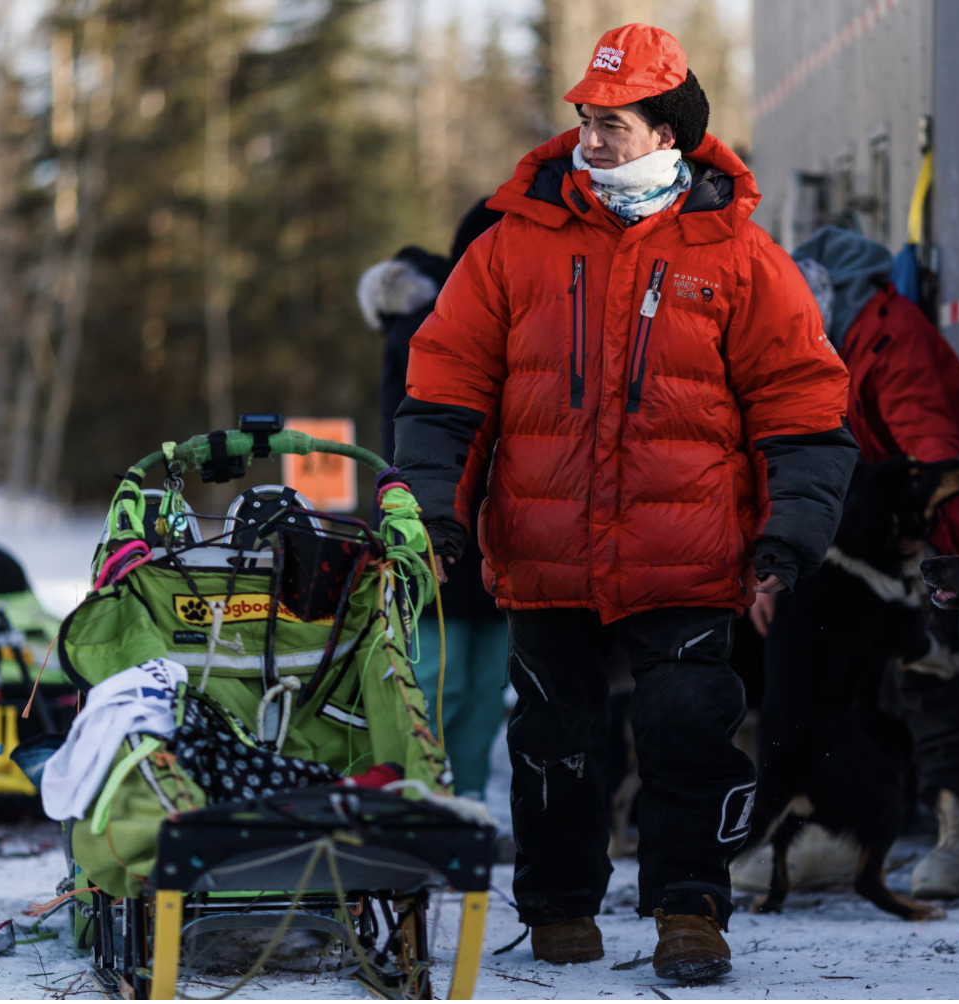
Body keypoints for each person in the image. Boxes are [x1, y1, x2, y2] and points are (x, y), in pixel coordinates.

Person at [394, 24, 856, 982]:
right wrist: (436, 508)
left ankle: (691, 910)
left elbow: (803, 405)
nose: (592, 139)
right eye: (585, 119)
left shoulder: (738, 254)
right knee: (552, 741)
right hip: (544, 544)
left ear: (667, 132)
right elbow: (445, 389)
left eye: (614, 123)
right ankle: (560, 906)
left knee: (688, 735)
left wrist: (793, 528)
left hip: (689, 549)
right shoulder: (512, 244)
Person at [769, 225, 959, 899]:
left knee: (926, 671)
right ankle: (839, 831)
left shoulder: (887, 336)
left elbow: (934, 451)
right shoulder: (838, 340)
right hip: (878, 543)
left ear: (829, 293)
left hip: (935, 538)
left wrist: (909, 537)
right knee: (846, 676)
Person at [357, 198, 507, 801]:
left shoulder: (429, 327)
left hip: (450, 523)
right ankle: (446, 799)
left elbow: (404, 441)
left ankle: (443, 797)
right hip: (467, 522)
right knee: (466, 678)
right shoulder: (450, 320)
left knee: (454, 677)